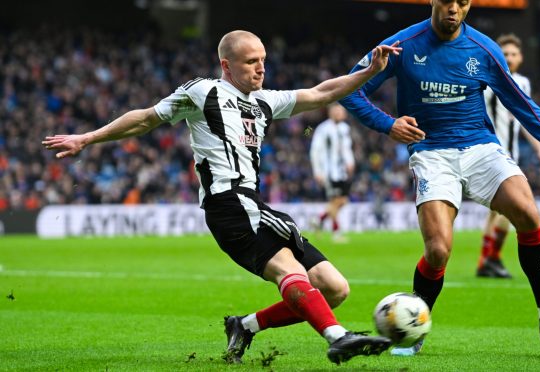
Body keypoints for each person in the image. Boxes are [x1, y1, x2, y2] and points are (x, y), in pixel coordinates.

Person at [43, 30, 401, 365]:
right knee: (291, 274)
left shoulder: (265, 101)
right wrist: (87, 138)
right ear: (226, 65)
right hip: (228, 204)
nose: (261, 67)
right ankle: (337, 336)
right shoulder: (203, 92)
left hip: (255, 205)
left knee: (334, 289)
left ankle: (245, 326)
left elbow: (322, 93)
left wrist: (369, 71)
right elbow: (145, 119)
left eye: (263, 59)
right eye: (251, 62)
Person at [340, 0, 540, 357]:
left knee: (528, 213)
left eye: (462, 2)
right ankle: (415, 328)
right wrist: (388, 124)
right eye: (446, 0)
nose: (453, 8)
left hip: (480, 147)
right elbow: (350, 90)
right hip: (432, 154)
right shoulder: (401, 44)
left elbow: (522, 105)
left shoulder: (484, 50)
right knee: (438, 250)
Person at [476, 33, 540, 279]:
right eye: (505, 53)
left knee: (495, 213)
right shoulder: (487, 80)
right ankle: (493, 258)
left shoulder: (523, 83)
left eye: (513, 54)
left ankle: (484, 261)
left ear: (521, 57)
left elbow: (524, 118)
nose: (509, 58)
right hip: (495, 153)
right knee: (511, 210)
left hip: (511, 153)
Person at [309, 103, 355, 242]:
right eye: (336, 111)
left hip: (342, 172)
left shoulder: (345, 128)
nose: (339, 113)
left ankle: (319, 219)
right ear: (330, 113)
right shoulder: (323, 129)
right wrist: (317, 171)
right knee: (335, 201)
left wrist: (350, 162)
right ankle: (336, 233)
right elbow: (314, 151)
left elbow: (347, 149)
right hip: (329, 172)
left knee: (342, 201)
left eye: (341, 111)